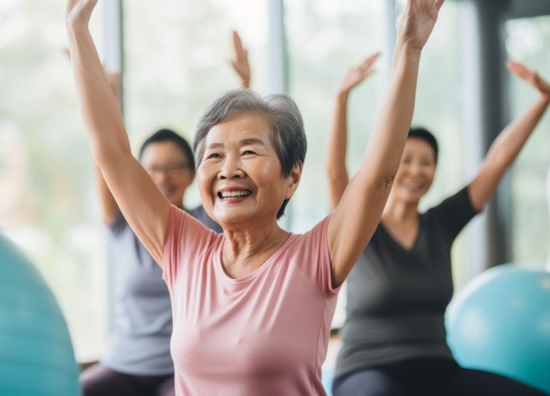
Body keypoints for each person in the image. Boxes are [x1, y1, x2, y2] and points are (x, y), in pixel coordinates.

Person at [66, 0, 444, 394]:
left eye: (248, 151)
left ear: (292, 176)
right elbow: (112, 152)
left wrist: (409, 50)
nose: (229, 168)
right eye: (214, 155)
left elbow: (378, 176)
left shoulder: (316, 257)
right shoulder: (184, 249)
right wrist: (78, 31)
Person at [327, 56, 550, 396]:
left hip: (438, 368)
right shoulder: (361, 225)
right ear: (389, 166)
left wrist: (543, 101)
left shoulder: (441, 224)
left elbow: (496, 162)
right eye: (406, 160)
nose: (417, 170)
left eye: (427, 162)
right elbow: (334, 173)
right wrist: (341, 99)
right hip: (367, 370)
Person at [79, 32, 251, 396]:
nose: (162, 178)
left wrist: (244, 86)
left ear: (192, 173)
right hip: (123, 363)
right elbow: (107, 155)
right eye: (152, 170)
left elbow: (234, 153)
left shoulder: (208, 225)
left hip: (181, 369)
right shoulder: (124, 224)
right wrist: (108, 94)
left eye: (174, 167)